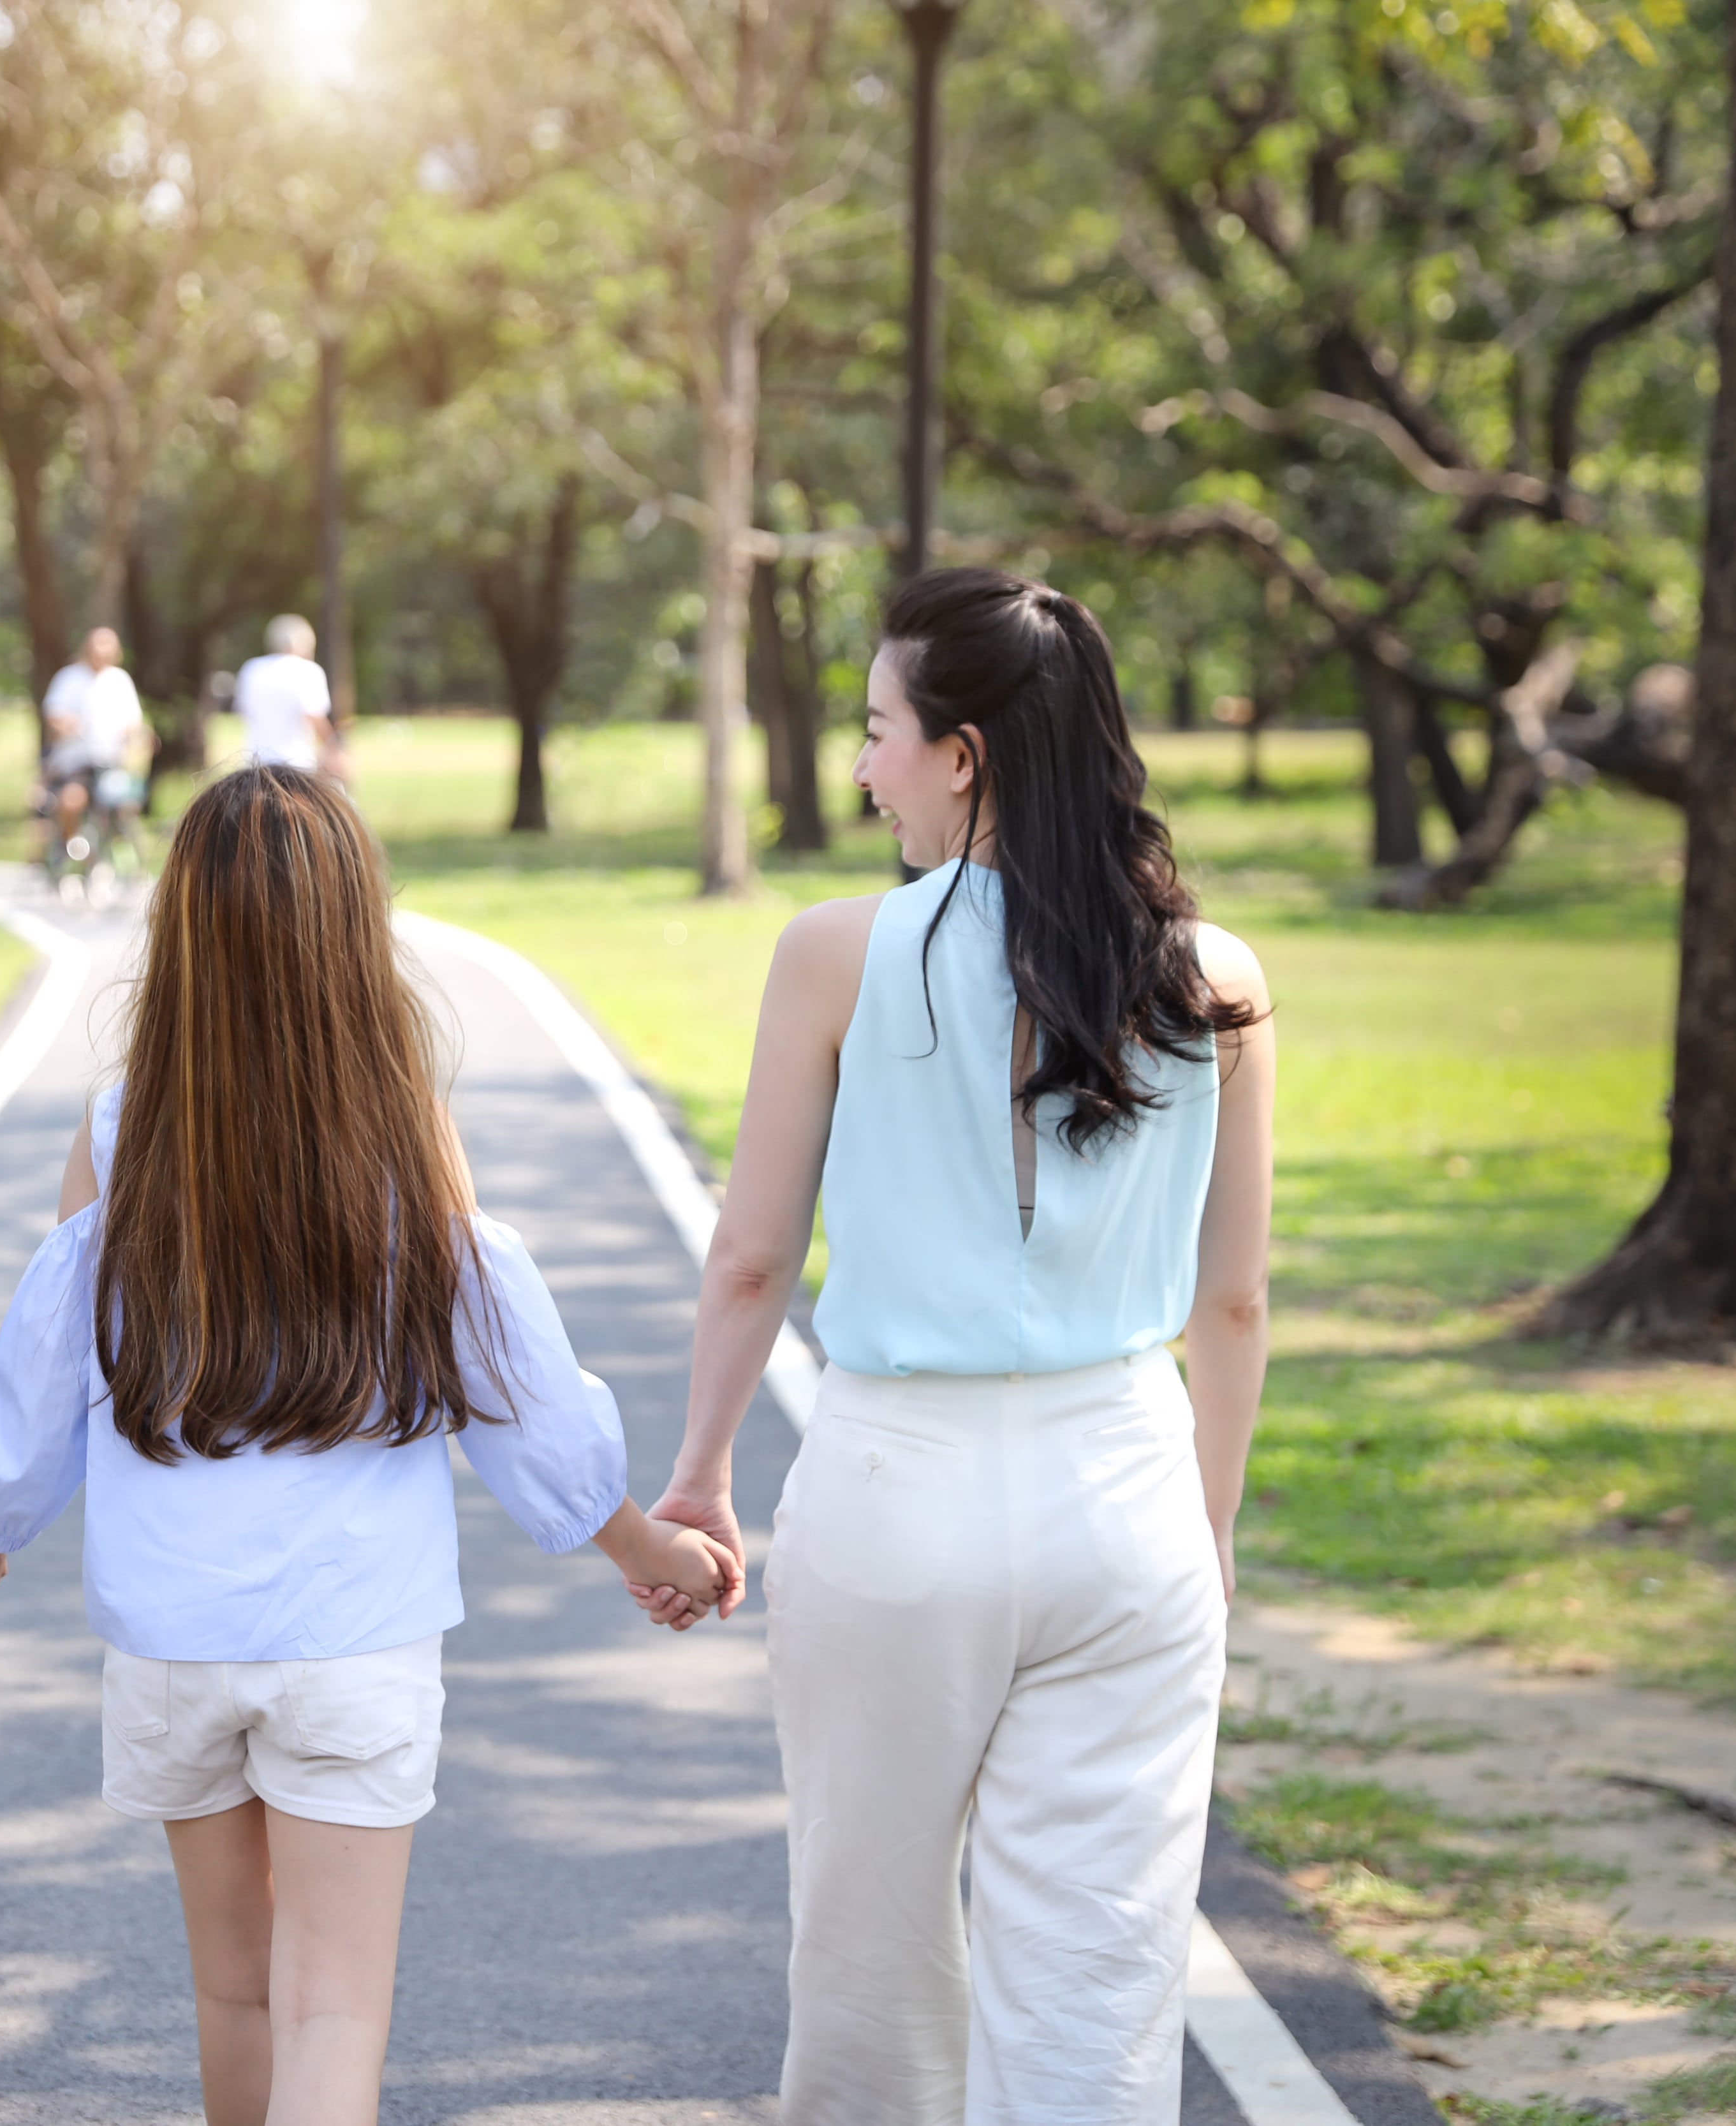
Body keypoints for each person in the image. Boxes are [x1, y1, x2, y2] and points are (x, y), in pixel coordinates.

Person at [0, 767, 737, 2126]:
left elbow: (33, 1399)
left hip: (174, 1640)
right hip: (355, 1637)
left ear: (178, 941)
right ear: (360, 942)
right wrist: (648, 1546)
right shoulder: (406, 1150)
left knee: (232, 1990)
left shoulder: (120, 1140)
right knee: (333, 2005)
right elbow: (516, 1390)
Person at [638, 568, 1276, 2126]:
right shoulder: (1215, 977)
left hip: (894, 1489)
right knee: (1101, 1979)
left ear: (963, 754)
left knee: (867, 1954)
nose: (862, 770)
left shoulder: (836, 951)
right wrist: (1206, 1532)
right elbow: (1236, 1302)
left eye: (877, 734)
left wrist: (702, 1472)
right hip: (1126, 1488)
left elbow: (750, 1260)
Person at [37, 624, 149, 859]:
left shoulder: (119, 680)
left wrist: (136, 737)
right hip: (76, 760)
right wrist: (66, 725)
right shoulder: (70, 677)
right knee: (72, 800)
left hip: (110, 760)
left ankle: (114, 856)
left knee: (123, 806)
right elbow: (53, 714)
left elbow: (133, 721)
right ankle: (70, 846)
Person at [232, 614, 339, 774]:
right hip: (297, 766)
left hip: (256, 763)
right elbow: (315, 717)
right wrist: (334, 747)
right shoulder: (309, 671)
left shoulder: (251, 669)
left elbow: (243, 711)